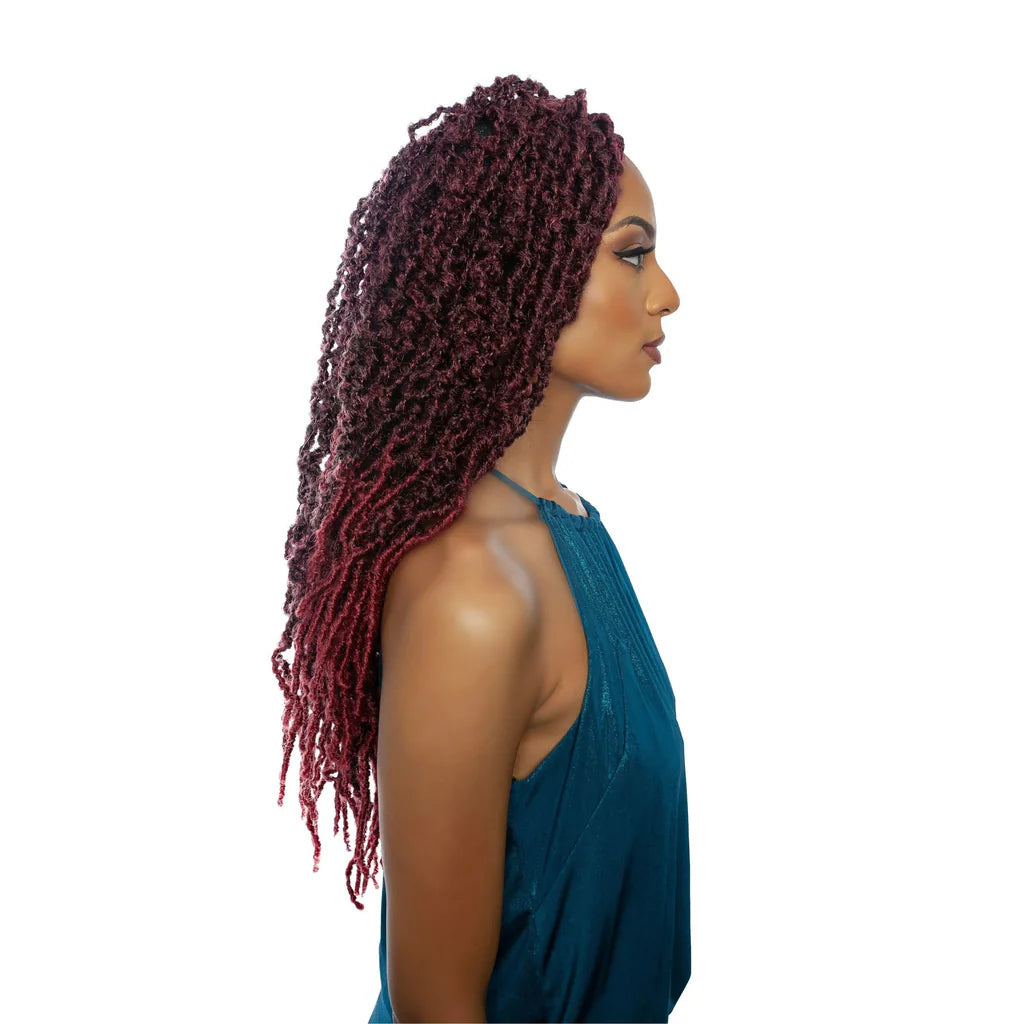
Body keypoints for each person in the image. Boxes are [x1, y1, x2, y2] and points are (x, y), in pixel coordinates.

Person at [272, 73, 689, 1023]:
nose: (667, 295)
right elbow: (436, 1009)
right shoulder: (474, 589)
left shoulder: (570, 530)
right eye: (633, 255)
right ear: (519, 268)